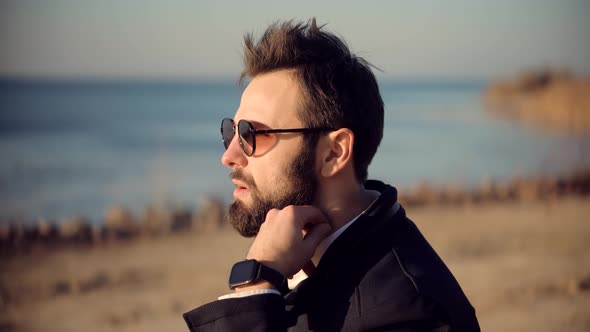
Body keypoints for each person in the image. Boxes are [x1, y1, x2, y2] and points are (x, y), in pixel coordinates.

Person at [183, 18, 480, 331]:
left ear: (334, 153)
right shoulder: (302, 262)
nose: (229, 156)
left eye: (252, 134)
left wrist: (255, 286)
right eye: (231, 131)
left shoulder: (407, 315)